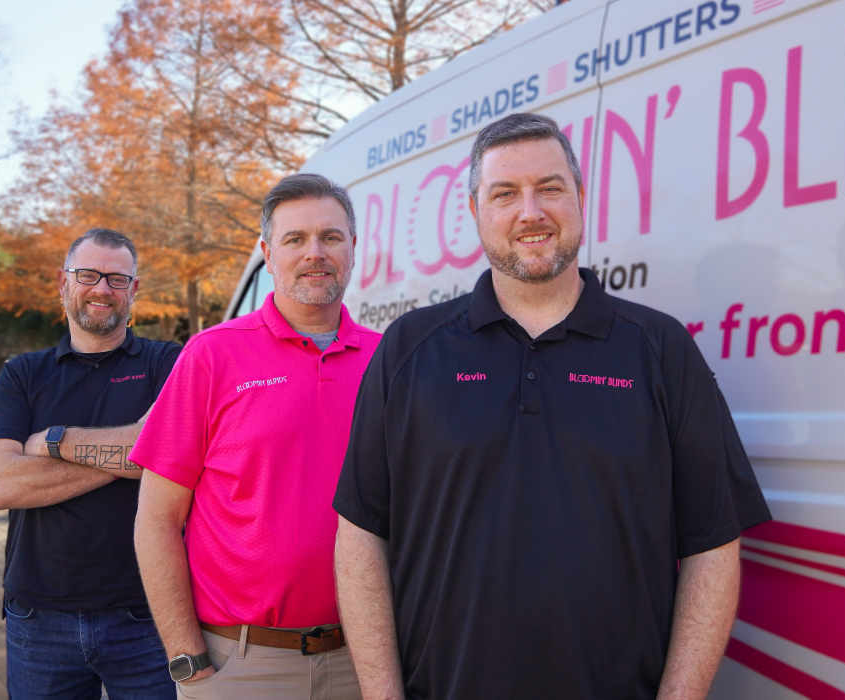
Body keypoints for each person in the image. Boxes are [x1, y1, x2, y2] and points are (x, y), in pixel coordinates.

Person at [333, 113, 771, 700]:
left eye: (551, 188)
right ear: (475, 212)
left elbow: (712, 542)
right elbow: (362, 532)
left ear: (581, 198)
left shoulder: (660, 350)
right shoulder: (411, 349)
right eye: (505, 194)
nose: (530, 212)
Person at [131, 173, 380, 700]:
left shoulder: (390, 360)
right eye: (295, 239)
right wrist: (187, 660)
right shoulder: (211, 356)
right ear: (268, 253)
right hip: (241, 667)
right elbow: (156, 520)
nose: (315, 253)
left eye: (331, 237)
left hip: (367, 661)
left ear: (353, 248)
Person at [0, 228, 182, 699]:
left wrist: (54, 440)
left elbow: (174, 456)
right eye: (88, 274)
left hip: (148, 613)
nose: (101, 289)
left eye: (116, 278)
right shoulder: (23, 374)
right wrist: (134, 450)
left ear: (135, 290)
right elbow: (0, 484)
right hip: (38, 618)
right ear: (63, 282)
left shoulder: (167, 363)